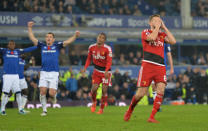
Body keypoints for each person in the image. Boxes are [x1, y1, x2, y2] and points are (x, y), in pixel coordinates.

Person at [124, 14, 176, 123]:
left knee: (161, 89)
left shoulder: (162, 35)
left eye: (159, 20)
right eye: (155, 20)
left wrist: (165, 27)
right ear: (150, 23)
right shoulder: (145, 32)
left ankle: (152, 117)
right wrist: (157, 27)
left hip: (160, 66)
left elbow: (173, 41)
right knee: (141, 93)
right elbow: (152, 38)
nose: (158, 22)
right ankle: (130, 109)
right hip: (148, 65)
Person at [27, 21, 80, 116]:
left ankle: (54, 96)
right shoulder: (42, 45)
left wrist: (75, 36)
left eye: (50, 37)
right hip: (44, 72)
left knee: (51, 93)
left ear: (53, 39)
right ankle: (44, 110)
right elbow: (32, 38)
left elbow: (68, 41)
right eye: (47, 37)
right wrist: (29, 28)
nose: (48, 38)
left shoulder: (57, 46)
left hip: (54, 73)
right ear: (45, 39)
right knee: (42, 91)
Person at [0, 40, 37, 115]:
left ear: (15, 45)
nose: (12, 45)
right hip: (7, 75)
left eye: (13, 44)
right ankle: (2, 109)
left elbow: (27, 49)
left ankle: (20, 109)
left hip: (16, 76)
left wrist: (37, 46)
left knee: (18, 92)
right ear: (8, 45)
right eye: (10, 44)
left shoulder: (18, 52)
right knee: (6, 93)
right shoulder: (4, 51)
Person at [84, 33, 112, 114]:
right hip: (96, 71)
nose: (100, 39)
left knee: (104, 90)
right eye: (99, 37)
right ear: (97, 37)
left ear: (104, 40)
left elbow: (109, 61)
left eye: (102, 38)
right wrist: (85, 68)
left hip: (106, 72)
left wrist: (106, 71)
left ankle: (101, 109)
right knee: (93, 89)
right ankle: (94, 102)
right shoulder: (91, 47)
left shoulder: (108, 49)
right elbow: (89, 59)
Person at [152, 43, 174, 110]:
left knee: (160, 87)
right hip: (152, 65)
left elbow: (169, 54)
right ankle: (157, 105)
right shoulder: (152, 38)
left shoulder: (165, 41)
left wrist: (171, 67)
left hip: (162, 66)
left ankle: (157, 104)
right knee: (153, 86)